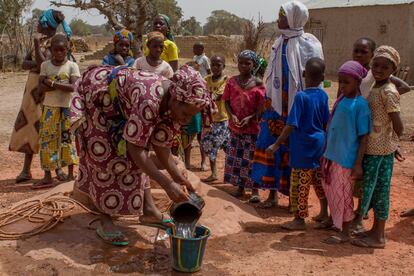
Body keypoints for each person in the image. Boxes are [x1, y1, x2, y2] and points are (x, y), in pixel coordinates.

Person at [70, 65, 216, 246]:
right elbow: (135, 149)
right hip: (99, 96)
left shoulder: (174, 105)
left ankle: (149, 211)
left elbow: (162, 147)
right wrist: (167, 184)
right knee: (105, 155)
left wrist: (179, 180)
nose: (186, 120)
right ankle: (104, 218)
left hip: (124, 104)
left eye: (191, 117)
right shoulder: (149, 100)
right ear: (175, 100)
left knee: (141, 151)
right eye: (186, 114)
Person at [251, 1, 325, 211]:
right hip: (274, 109)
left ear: (294, 18)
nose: (278, 19)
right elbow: (270, 76)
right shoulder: (278, 42)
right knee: (270, 147)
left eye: (282, 16)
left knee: (295, 154)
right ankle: (272, 196)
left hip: (297, 109)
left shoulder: (310, 44)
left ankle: (295, 201)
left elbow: (315, 81)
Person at [351, 38, 410, 232]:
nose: (378, 69)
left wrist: (391, 142)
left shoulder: (388, 91)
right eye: (375, 65)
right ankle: (370, 228)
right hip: (373, 146)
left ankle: (365, 225)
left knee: (374, 187)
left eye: (384, 67)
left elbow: (399, 126)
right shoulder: (376, 86)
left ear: (393, 69)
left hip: (380, 149)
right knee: (374, 187)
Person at [9, 9, 72, 183]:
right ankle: (26, 170)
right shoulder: (43, 42)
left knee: (50, 131)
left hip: (47, 94)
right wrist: (35, 61)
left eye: (39, 23)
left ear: (46, 25)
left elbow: (44, 65)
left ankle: (57, 169)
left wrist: (37, 48)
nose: (36, 25)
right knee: (30, 129)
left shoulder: (56, 43)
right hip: (32, 93)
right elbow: (24, 63)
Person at [266, 58, 329, 230]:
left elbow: (291, 125)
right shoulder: (323, 95)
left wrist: (276, 145)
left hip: (303, 148)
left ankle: (299, 219)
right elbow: (325, 122)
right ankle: (325, 213)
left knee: (299, 184)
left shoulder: (300, 97)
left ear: (303, 74)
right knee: (318, 180)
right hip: (319, 144)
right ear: (322, 78)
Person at [320, 61, 371, 244]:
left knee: (343, 195)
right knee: (333, 192)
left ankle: (345, 232)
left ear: (358, 82)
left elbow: (363, 136)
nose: (342, 86)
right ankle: (339, 224)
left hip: (346, 159)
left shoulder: (360, 105)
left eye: (346, 82)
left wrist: (358, 164)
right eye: (340, 82)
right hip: (332, 155)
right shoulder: (342, 100)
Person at [33, 34, 80, 188]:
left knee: (67, 139)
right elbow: (41, 87)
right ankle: (48, 176)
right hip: (49, 107)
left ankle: (70, 174)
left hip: (67, 108)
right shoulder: (45, 65)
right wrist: (60, 85)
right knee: (47, 140)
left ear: (67, 50)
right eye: (56, 50)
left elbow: (73, 88)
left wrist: (51, 83)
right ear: (51, 50)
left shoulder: (72, 65)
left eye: (62, 50)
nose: (59, 53)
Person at [222, 50, 265, 201]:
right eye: (241, 62)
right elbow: (226, 101)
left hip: (252, 129)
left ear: (253, 65)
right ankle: (240, 188)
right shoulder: (232, 82)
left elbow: (262, 106)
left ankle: (254, 191)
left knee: (251, 159)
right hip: (235, 128)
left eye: (248, 63)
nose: (244, 66)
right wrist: (231, 115)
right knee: (236, 157)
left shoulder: (258, 83)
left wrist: (251, 117)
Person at [201, 56, 229, 182]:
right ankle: (214, 173)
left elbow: (220, 95)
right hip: (209, 120)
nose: (215, 68)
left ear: (224, 66)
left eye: (218, 65)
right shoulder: (206, 79)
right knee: (209, 145)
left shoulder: (226, 80)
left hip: (222, 119)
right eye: (213, 65)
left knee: (225, 146)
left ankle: (230, 173)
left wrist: (205, 96)